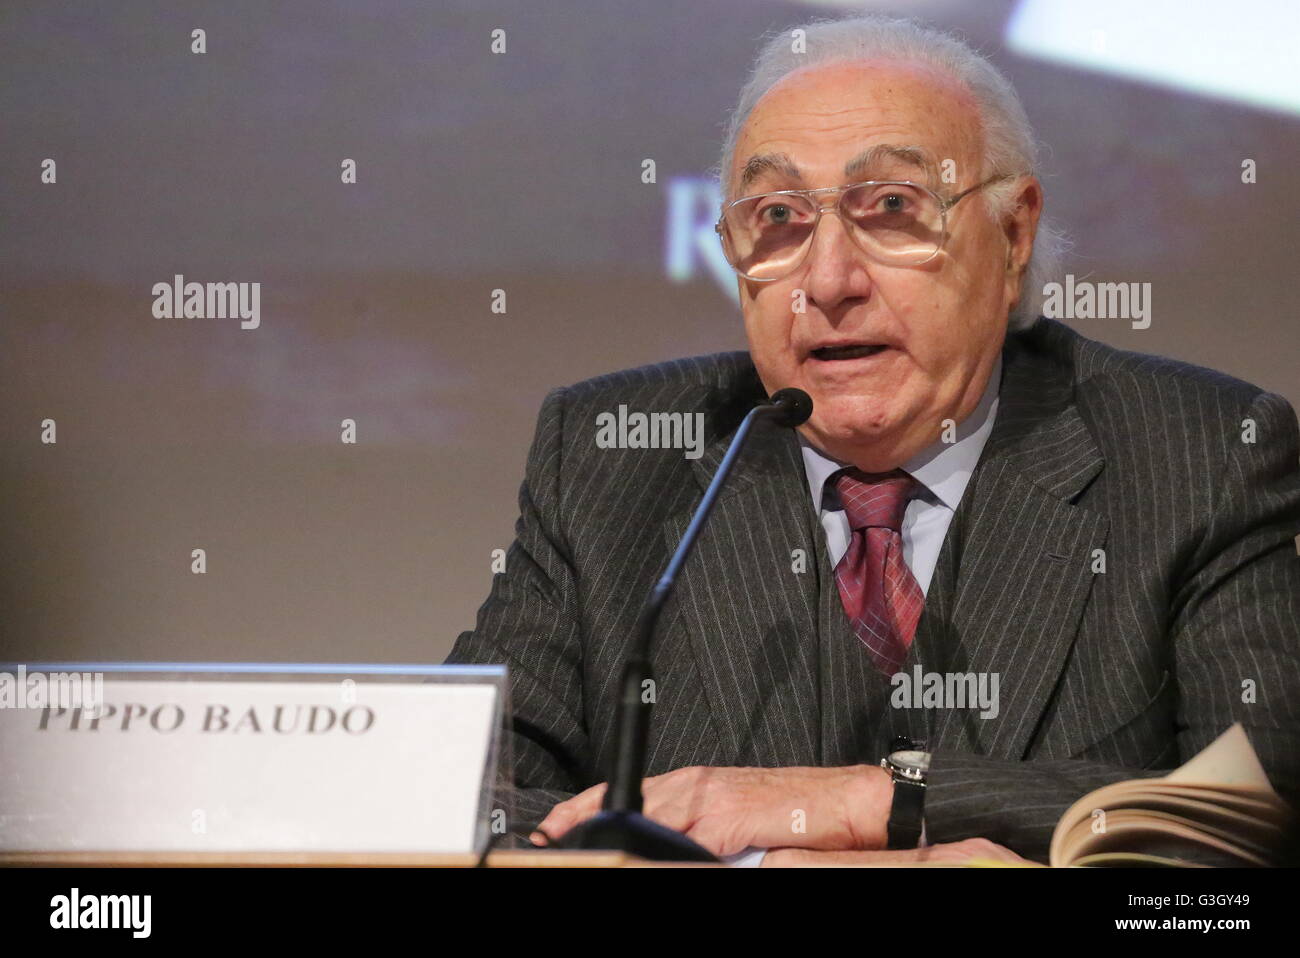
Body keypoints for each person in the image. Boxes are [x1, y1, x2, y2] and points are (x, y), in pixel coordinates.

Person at [446, 14, 1300, 865]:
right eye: (777, 216)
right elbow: (456, 793)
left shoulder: (1204, 455)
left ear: (1012, 236)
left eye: (891, 206)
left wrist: (877, 798)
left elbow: (1263, 805)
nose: (827, 281)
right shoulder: (613, 460)